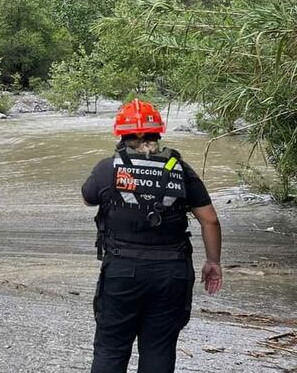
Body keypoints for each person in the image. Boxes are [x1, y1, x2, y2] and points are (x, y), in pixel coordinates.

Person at [82, 99, 223, 373]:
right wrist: (213, 262)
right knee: (159, 348)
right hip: (172, 273)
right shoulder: (181, 169)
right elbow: (210, 219)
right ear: (158, 132)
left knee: (111, 349)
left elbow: (88, 199)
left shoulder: (107, 168)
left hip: (122, 271)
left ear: (121, 135)